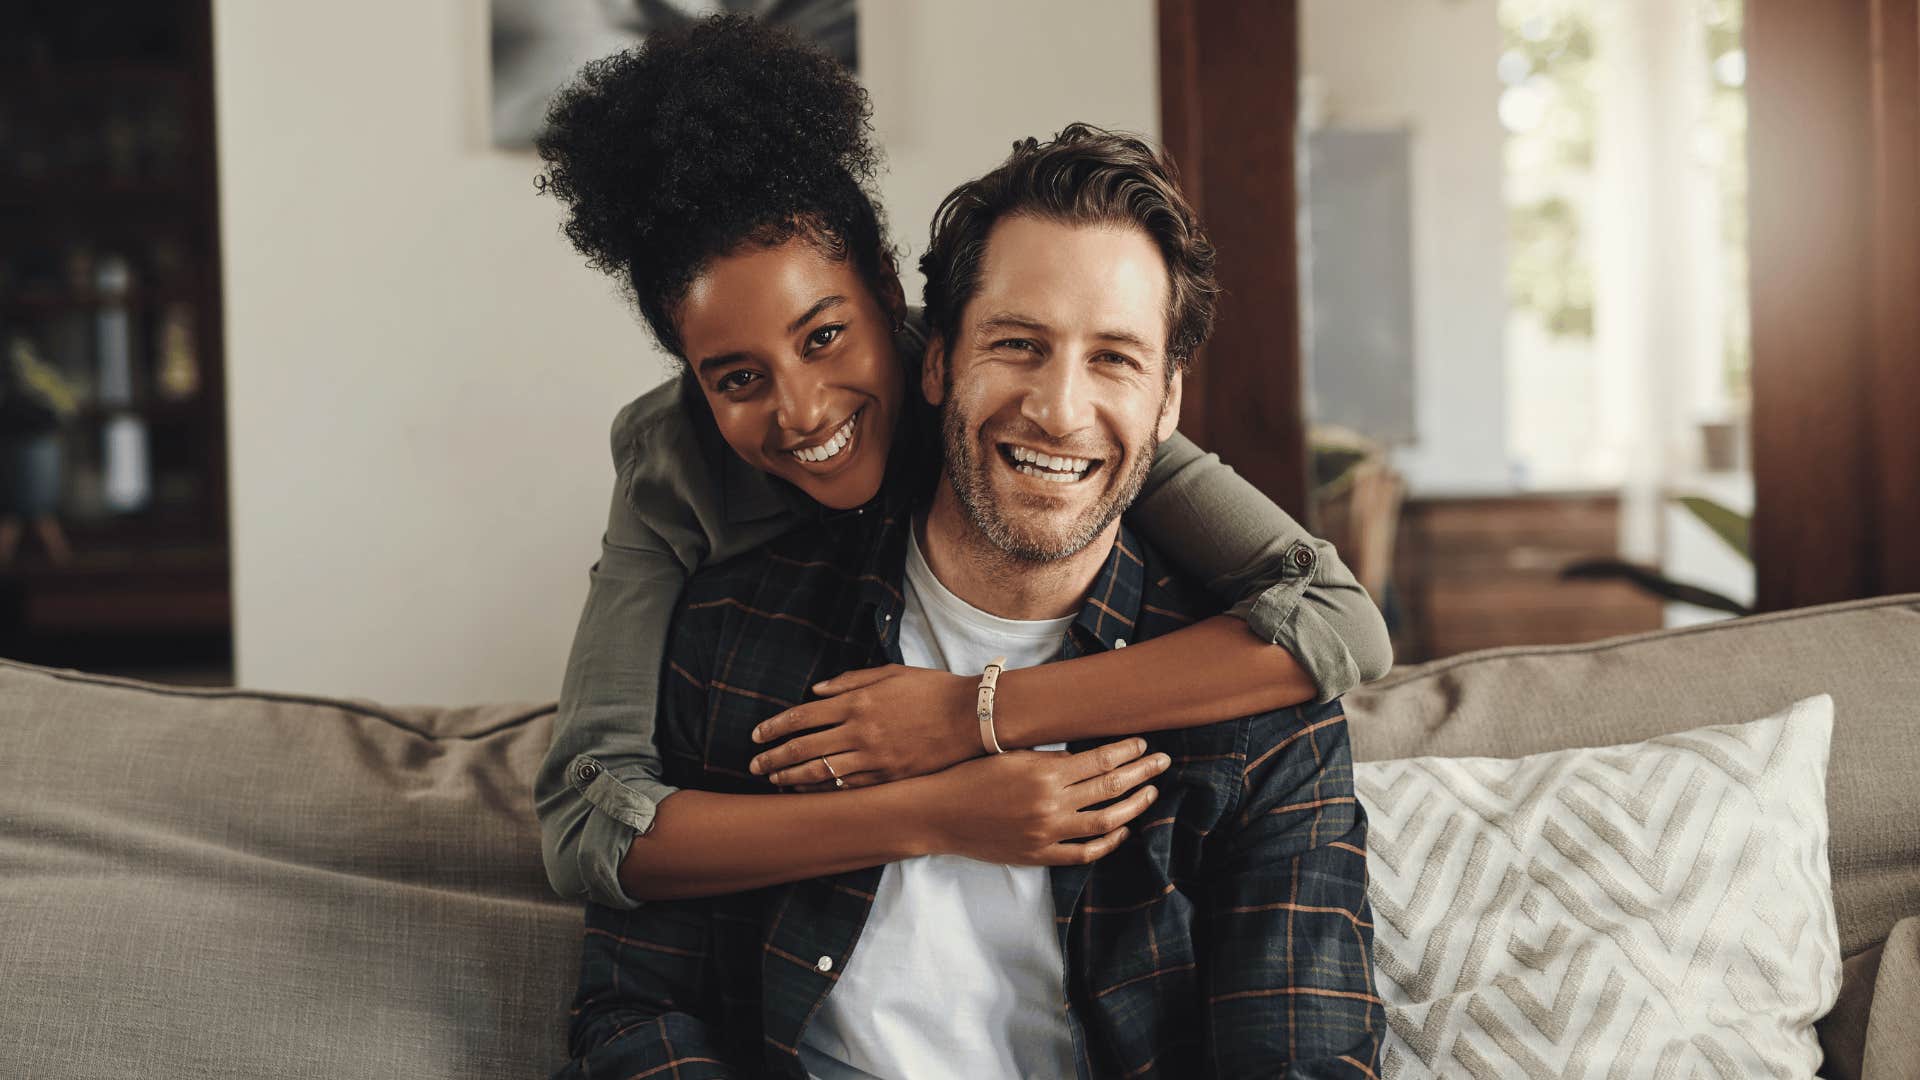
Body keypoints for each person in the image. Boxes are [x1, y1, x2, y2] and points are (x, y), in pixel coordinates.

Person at [560, 124, 1383, 1079]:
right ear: (939, 361)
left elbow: (1301, 1061)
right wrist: (935, 810)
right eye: (1017, 344)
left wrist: (973, 714)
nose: (1059, 409)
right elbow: (633, 1007)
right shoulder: (733, 637)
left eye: (1114, 358)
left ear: (1167, 405)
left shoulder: (1262, 716)